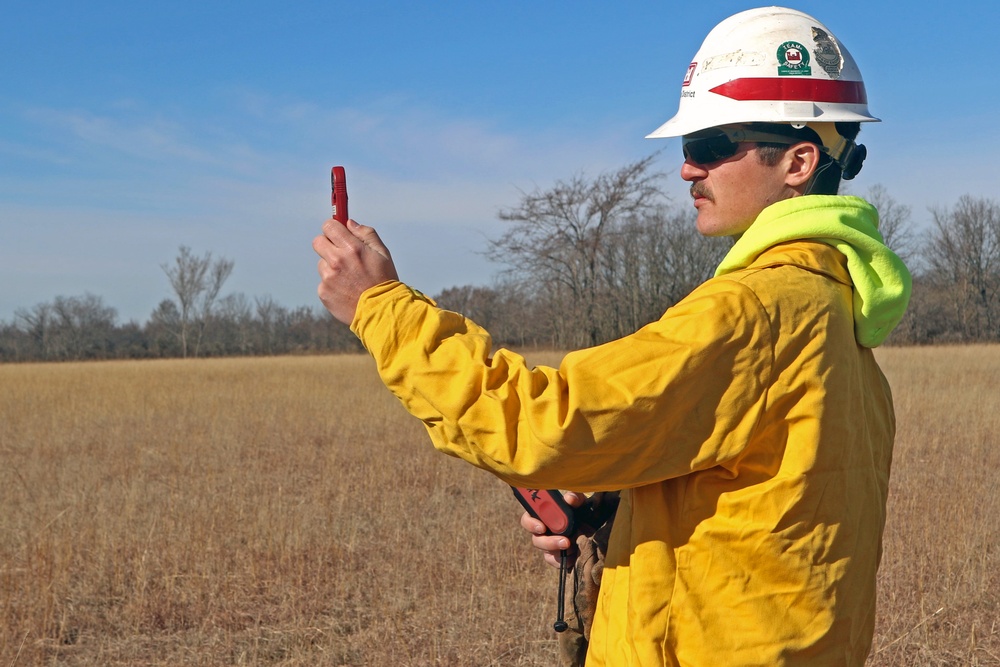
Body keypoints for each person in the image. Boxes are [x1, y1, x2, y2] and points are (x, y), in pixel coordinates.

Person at [312, 6, 911, 666]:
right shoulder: (841, 323)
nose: (689, 170)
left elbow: (540, 421)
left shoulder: (751, 313)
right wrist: (616, 506)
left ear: (799, 161)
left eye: (710, 145)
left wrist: (379, 306)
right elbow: (760, 522)